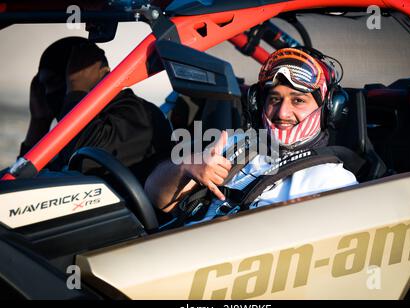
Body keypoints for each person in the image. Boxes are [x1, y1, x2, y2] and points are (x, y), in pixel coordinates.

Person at [145, 47, 358, 224]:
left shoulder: (332, 182)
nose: (282, 113)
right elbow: (157, 197)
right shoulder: (236, 146)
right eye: (274, 99)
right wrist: (186, 168)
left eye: (298, 100)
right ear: (258, 104)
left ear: (330, 109)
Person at [19, 37, 173, 183]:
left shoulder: (137, 115)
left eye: (54, 82)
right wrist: (39, 122)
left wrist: (76, 91)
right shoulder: (84, 125)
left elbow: (84, 160)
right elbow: (23, 184)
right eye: (43, 86)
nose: (47, 93)